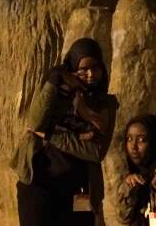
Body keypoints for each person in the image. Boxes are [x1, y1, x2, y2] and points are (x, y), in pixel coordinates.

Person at [11, 38, 117, 226]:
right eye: (83, 69)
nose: (91, 74)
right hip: (38, 184)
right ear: (72, 68)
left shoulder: (106, 104)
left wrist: (51, 134)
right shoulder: (54, 93)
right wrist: (53, 83)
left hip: (80, 189)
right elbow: (35, 123)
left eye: (96, 67)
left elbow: (95, 152)